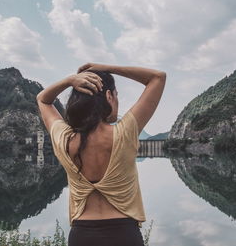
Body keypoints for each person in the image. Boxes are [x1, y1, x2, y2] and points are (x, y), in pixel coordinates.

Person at [36, 63, 166, 246]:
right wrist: (106, 68)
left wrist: (69, 81)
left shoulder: (64, 139)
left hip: (82, 235)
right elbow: (157, 77)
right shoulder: (124, 133)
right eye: (116, 95)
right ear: (108, 96)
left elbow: (42, 99)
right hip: (124, 235)